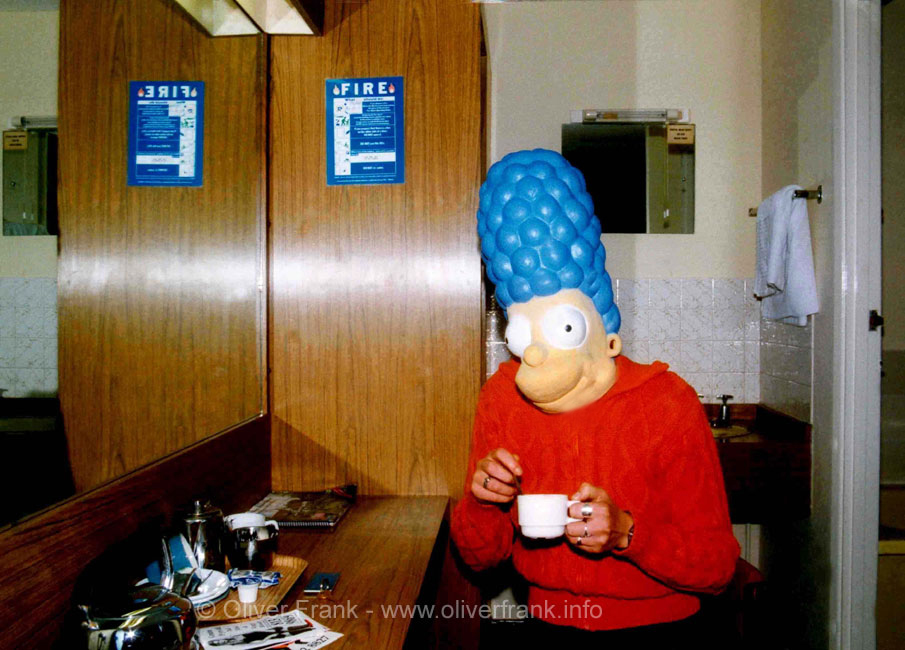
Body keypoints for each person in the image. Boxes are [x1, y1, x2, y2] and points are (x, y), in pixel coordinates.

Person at [450, 149, 739, 644]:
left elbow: (716, 567)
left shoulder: (666, 402)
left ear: (607, 336)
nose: (536, 354)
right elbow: (479, 558)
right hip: (545, 625)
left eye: (563, 327)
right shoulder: (502, 397)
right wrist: (482, 501)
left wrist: (627, 532)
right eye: (523, 333)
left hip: (660, 628)